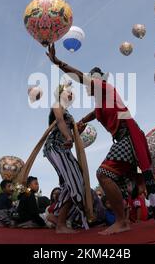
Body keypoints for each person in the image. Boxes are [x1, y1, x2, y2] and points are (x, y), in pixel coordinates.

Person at [46, 44, 155, 235]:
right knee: (122, 181)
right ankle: (134, 206)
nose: (87, 86)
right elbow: (95, 113)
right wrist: (83, 120)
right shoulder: (102, 102)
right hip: (125, 137)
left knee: (103, 174)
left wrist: (59, 63)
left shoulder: (103, 87)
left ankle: (121, 221)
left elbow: (79, 76)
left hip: (128, 136)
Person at [43, 80, 88, 233]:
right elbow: (61, 122)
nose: (70, 93)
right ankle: (60, 224)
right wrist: (69, 137)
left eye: (71, 92)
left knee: (74, 181)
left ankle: (55, 216)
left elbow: (69, 136)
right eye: (68, 91)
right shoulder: (57, 105)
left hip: (64, 149)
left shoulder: (69, 113)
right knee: (74, 181)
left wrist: (77, 133)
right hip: (56, 148)